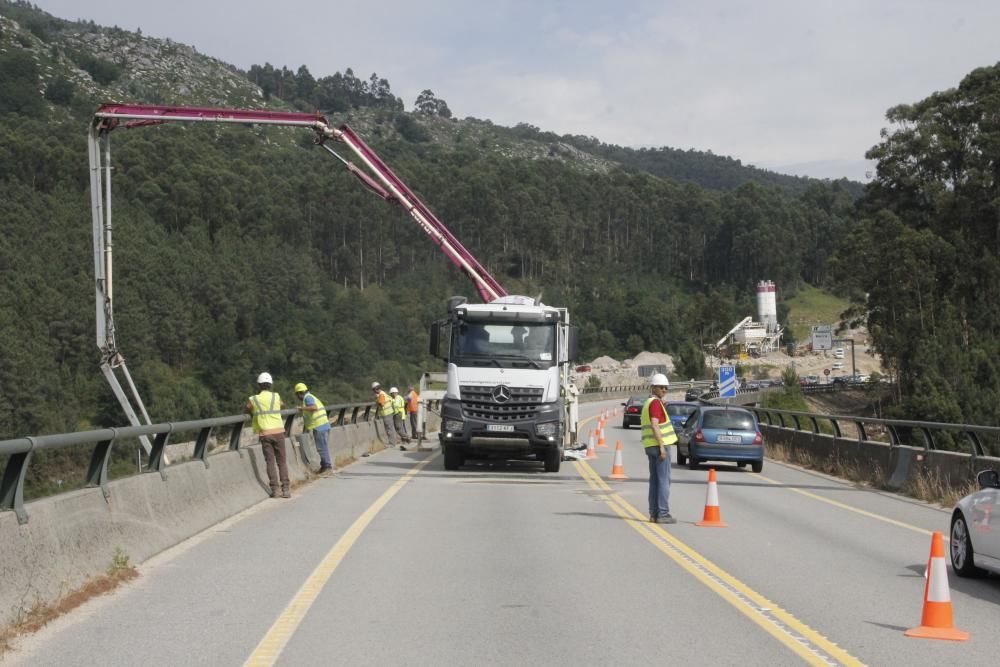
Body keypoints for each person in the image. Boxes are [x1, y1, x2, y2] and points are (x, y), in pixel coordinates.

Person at [245, 372, 290, 498]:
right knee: (282, 462)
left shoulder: (254, 399)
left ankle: (275, 490)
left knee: (270, 462)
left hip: (265, 433)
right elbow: (282, 405)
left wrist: (254, 412)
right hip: (279, 432)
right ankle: (286, 489)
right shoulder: (276, 396)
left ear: (259, 385)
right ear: (270, 384)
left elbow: (247, 408)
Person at [641, 373, 678, 523]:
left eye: (666, 388)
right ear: (653, 388)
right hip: (658, 446)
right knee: (664, 480)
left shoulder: (648, 403)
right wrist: (662, 447)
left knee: (655, 480)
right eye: (661, 387)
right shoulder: (655, 404)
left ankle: (654, 513)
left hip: (650, 446)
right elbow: (655, 424)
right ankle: (663, 513)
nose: (664, 389)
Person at [295, 382, 333, 473]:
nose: (298, 397)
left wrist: (301, 409)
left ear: (300, 393)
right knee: (323, 447)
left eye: (297, 395)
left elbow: (313, 407)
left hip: (319, 426)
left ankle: (327, 467)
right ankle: (324, 466)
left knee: (321, 448)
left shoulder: (307, 398)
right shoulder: (311, 396)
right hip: (324, 425)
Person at [372, 381, 398, 447]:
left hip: (387, 414)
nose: (374, 391)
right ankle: (393, 442)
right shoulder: (383, 393)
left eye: (373, 389)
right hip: (388, 413)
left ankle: (392, 443)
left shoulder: (381, 394)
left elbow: (381, 403)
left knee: (389, 429)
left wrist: (376, 401)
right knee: (391, 428)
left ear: (375, 389)